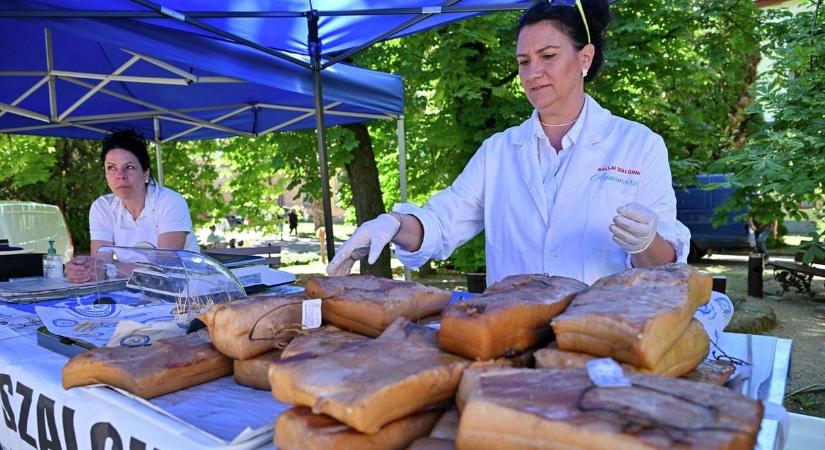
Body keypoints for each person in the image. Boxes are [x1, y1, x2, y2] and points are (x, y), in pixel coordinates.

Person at [327, 0, 690, 286]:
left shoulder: (638, 146)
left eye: (548, 56)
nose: (533, 73)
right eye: (523, 61)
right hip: (513, 336)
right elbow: (442, 223)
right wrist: (392, 223)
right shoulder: (499, 152)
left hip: (602, 338)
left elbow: (665, 266)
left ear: (585, 57)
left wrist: (645, 243)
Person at [65, 129, 199, 283]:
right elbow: (100, 265)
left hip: (186, 292)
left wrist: (109, 269)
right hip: (133, 292)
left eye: (129, 167)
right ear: (105, 174)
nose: (120, 175)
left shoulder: (170, 202)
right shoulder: (102, 207)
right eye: (111, 167)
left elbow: (165, 267)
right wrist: (81, 269)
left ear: (146, 173)